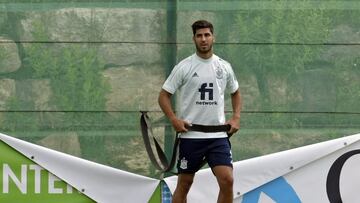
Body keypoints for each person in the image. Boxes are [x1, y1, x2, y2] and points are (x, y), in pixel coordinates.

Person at [158, 20, 242, 203]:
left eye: (207, 35)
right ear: (194, 39)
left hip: (218, 136)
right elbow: (163, 96)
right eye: (199, 36)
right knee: (185, 184)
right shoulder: (184, 66)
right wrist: (173, 119)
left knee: (227, 180)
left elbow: (235, 92)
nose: (203, 39)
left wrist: (236, 118)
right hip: (191, 136)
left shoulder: (224, 66)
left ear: (213, 37)